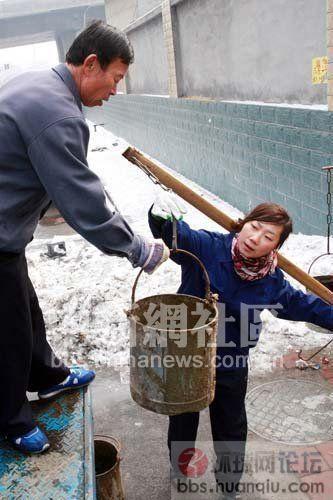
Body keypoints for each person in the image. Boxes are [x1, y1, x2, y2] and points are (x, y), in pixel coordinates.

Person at [0, 21, 169, 454]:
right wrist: (137, 248)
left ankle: (48, 376)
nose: (113, 92)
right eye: (114, 79)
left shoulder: (41, 86)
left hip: (6, 231)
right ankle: (12, 421)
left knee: (23, 307)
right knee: (7, 329)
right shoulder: (58, 113)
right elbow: (83, 202)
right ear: (90, 64)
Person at [148, 193, 333, 499]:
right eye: (255, 226)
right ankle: (180, 470)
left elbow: (303, 305)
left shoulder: (271, 280)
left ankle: (229, 484)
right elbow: (178, 237)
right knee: (182, 419)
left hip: (231, 360)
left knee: (230, 425)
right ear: (244, 223)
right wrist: (159, 217)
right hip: (187, 354)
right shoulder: (210, 247)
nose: (256, 238)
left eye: (268, 236)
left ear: (275, 247)